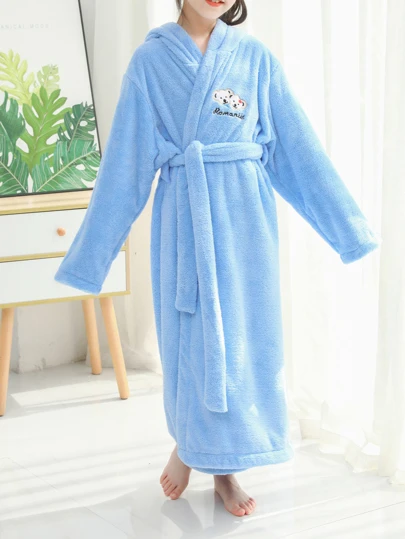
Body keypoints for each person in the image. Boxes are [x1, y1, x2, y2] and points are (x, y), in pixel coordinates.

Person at [54, 0, 382, 517]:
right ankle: (192, 447)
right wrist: (91, 257)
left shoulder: (255, 59)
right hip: (186, 223)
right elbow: (125, 166)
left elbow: (298, 151)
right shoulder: (150, 62)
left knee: (244, 343)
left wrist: (348, 229)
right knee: (193, 343)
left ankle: (224, 465)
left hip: (246, 224)